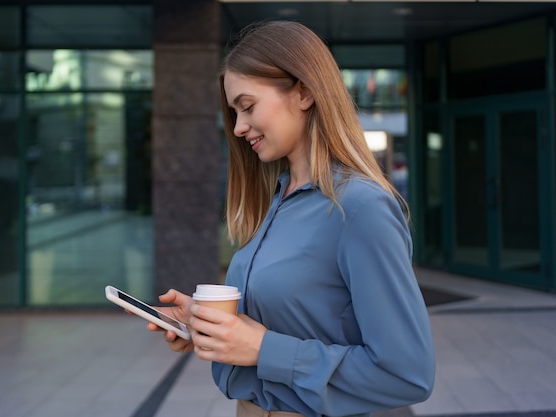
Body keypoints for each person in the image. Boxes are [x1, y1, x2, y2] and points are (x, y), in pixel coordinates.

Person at [147, 20, 435, 417]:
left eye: (247, 107)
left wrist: (264, 349)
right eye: (233, 112)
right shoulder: (278, 198)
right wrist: (206, 325)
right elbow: (293, 318)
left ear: (304, 91)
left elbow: (407, 375)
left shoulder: (360, 208)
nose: (238, 127)